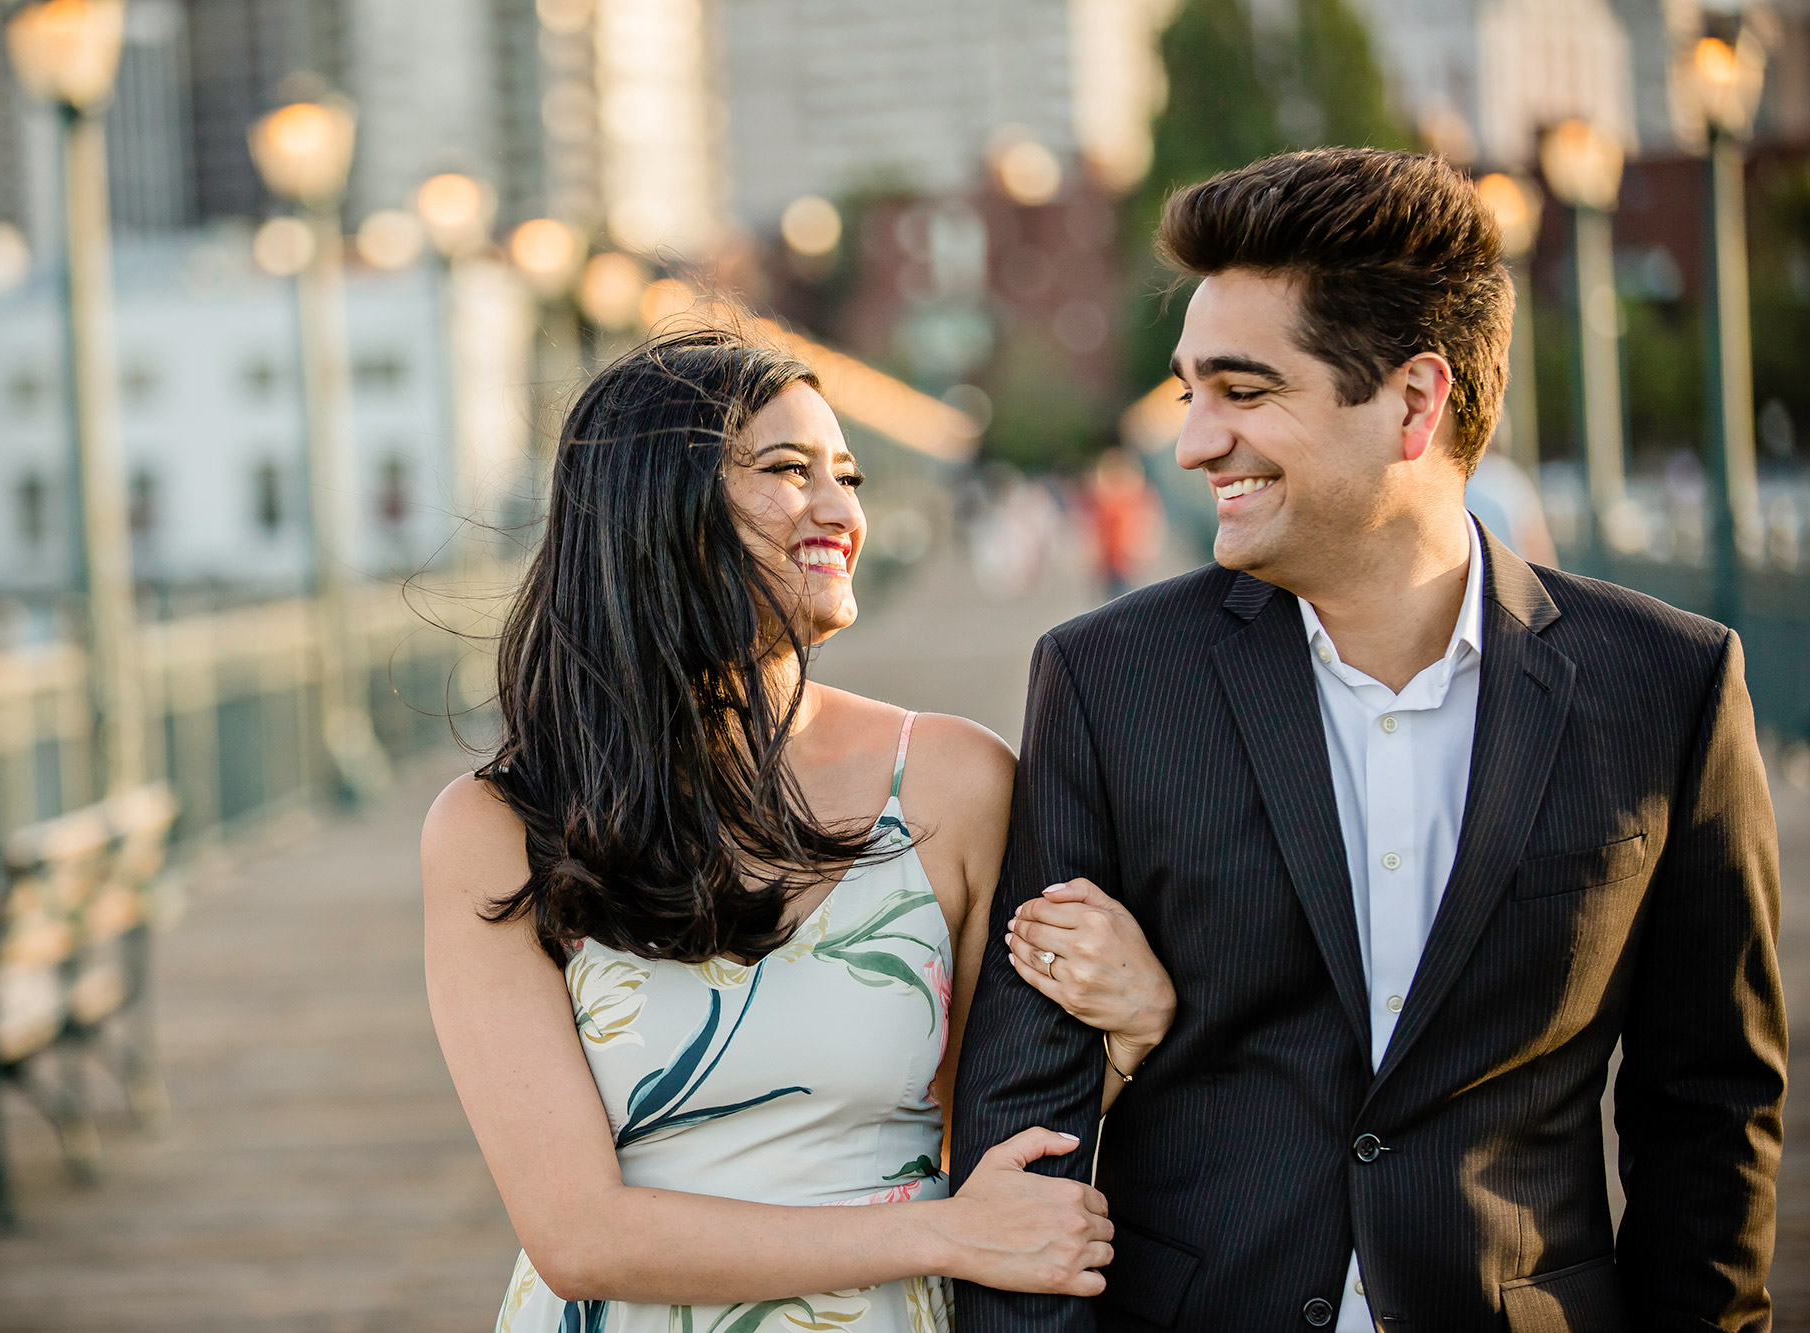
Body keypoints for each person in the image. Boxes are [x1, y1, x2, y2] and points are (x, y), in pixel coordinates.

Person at [951, 149, 1786, 1331]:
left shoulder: (1667, 681)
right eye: (1188, 394)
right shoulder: (1105, 679)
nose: (1193, 443)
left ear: (1413, 401)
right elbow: (1020, 1124)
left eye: (1241, 392)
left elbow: (1707, 1105)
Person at [420, 327, 1179, 1333]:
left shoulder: (952, 782)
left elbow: (995, 1136)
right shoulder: (495, 824)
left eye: (848, 475)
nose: (841, 511)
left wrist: (1131, 1031)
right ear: (656, 507)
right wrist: (938, 1233)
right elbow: (576, 1235)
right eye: (787, 471)